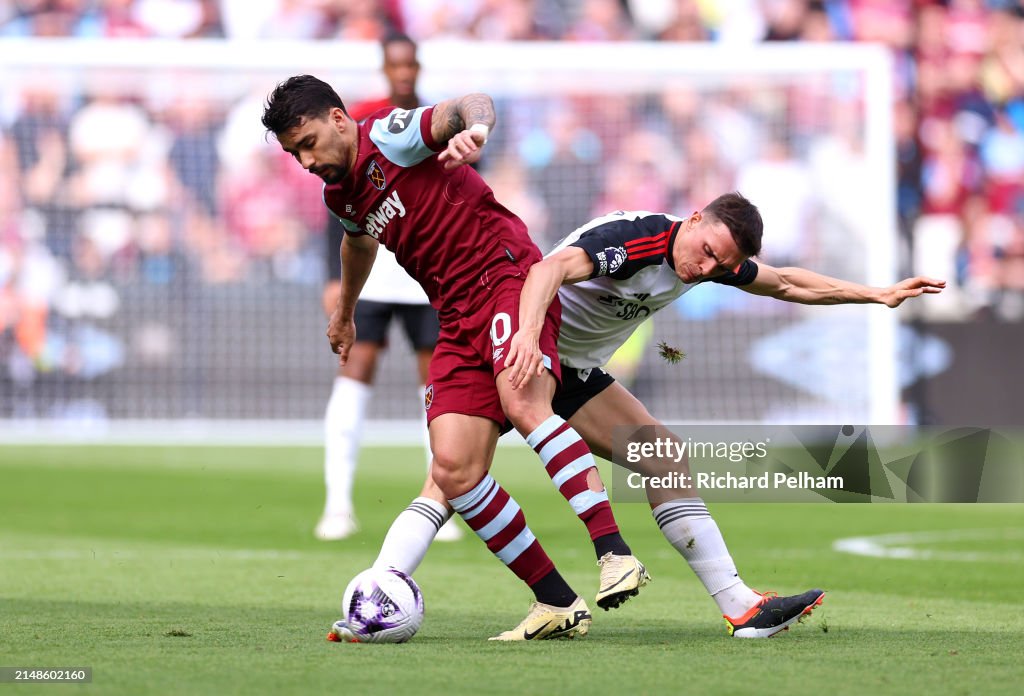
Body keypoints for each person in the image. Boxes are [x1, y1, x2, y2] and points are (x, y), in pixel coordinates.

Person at [345, 193, 945, 640]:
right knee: (453, 476)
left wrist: (877, 293)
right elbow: (546, 270)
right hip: (521, 342)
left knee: (661, 455)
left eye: (720, 265)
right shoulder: (634, 239)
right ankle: (379, 595)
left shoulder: (714, 257)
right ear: (692, 222)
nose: (707, 268)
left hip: (571, 369)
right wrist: (527, 337)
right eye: (706, 251)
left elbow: (786, 282)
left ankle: (740, 607)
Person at [262, 75, 649, 641]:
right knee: (453, 470)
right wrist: (345, 312)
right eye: (295, 152)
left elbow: (469, 103)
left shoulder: (390, 136)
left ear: (339, 119)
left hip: (504, 276)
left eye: (309, 142)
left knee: (524, 401)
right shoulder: (340, 193)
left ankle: (614, 553)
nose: (306, 160)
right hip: (456, 313)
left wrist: (477, 130)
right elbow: (358, 243)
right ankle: (556, 602)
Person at [314, 33, 460, 543]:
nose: (402, 72)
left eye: (408, 64)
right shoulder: (363, 123)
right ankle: (337, 505)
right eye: (393, 64)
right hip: (375, 272)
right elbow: (337, 201)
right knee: (354, 375)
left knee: (437, 387)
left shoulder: (436, 124)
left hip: (427, 278)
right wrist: (333, 279)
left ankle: (441, 500)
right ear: (385, 67)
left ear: (416, 66)